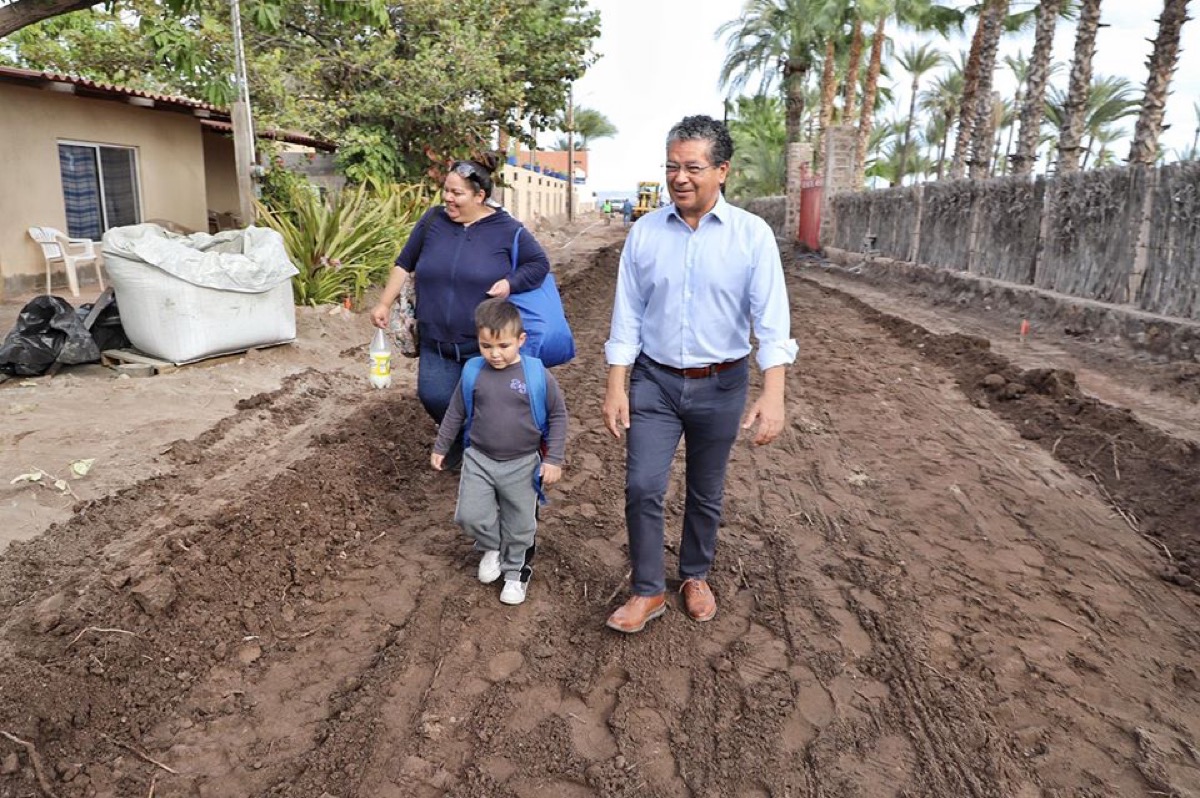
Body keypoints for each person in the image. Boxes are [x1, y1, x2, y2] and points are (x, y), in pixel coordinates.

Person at [601, 115, 798, 633]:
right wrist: (616, 386)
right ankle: (647, 590)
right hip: (655, 381)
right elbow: (627, 316)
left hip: (722, 383)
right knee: (643, 485)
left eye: (692, 167)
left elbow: (772, 322)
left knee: (705, 489)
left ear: (722, 171)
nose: (679, 177)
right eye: (671, 166)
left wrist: (772, 394)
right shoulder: (644, 233)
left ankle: (694, 575)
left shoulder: (751, 237)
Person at [371, 154, 551, 469]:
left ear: (480, 196)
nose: (448, 199)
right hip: (435, 337)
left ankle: (485, 457)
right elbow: (404, 263)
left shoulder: (507, 229)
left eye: (457, 193)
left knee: (487, 404)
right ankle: (459, 443)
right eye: (447, 191)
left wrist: (510, 283)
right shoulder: (432, 221)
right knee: (435, 397)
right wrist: (384, 303)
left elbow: (539, 265)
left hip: (484, 343)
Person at [432, 298, 568, 605]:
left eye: (503, 346)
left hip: (522, 463)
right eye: (486, 346)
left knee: (521, 523)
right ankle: (492, 545)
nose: (494, 354)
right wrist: (442, 446)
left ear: (521, 340)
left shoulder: (535, 374)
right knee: (469, 515)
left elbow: (559, 415)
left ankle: (514, 575)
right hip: (479, 458)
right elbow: (456, 411)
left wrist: (553, 459)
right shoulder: (472, 371)